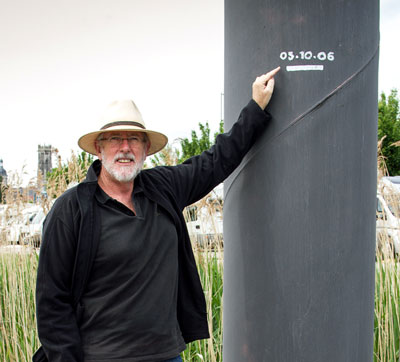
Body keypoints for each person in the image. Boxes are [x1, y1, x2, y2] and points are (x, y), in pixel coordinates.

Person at [35, 67, 280, 362]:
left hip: (166, 356)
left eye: (134, 139)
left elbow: (216, 161)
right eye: (115, 139)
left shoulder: (164, 188)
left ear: (146, 148)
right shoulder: (70, 210)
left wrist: (255, 108)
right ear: (99, 148)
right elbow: (52, 303)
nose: (124, 147)